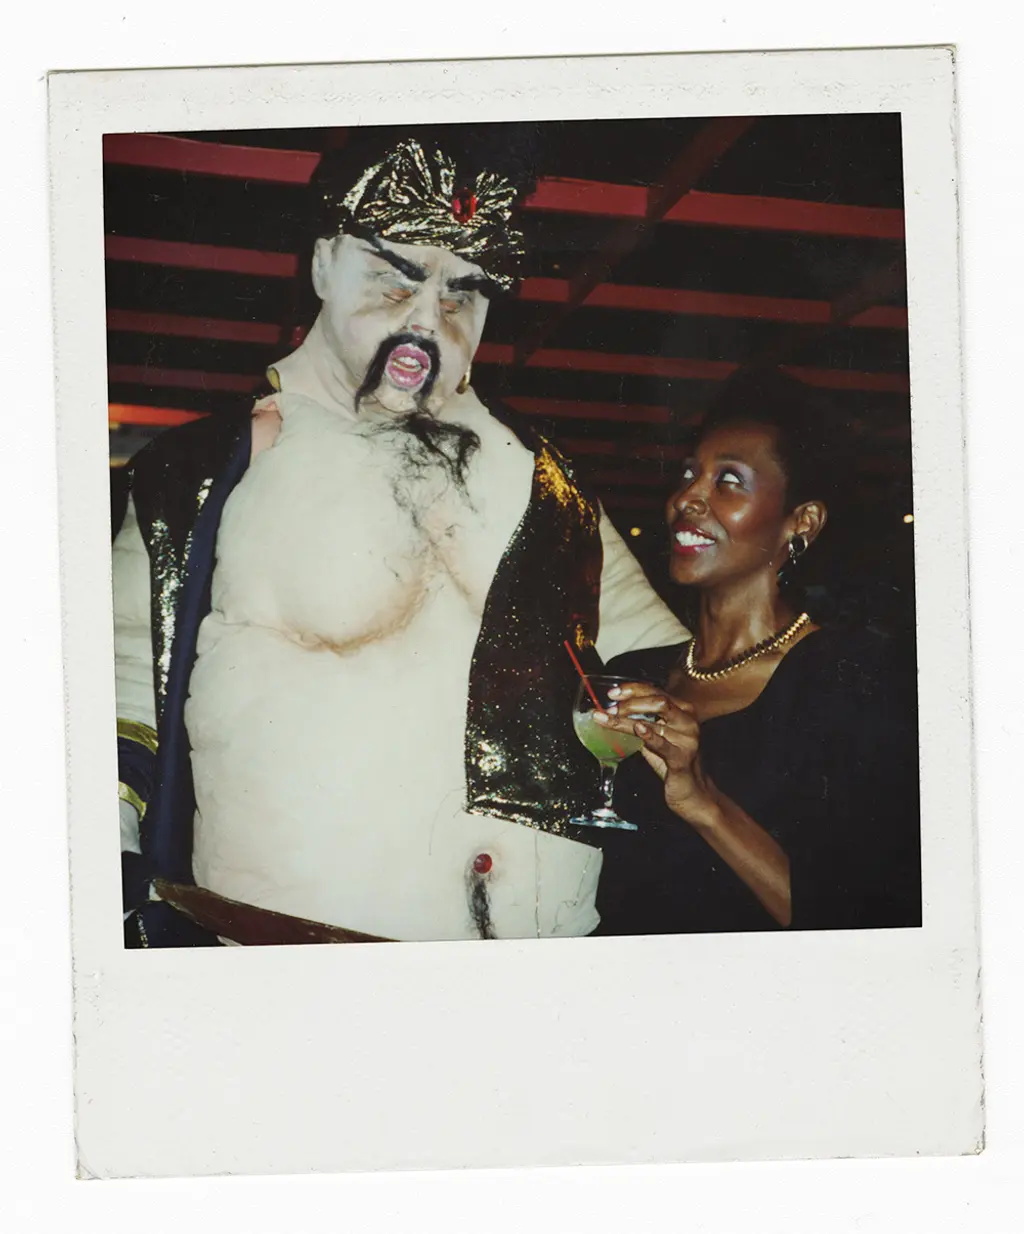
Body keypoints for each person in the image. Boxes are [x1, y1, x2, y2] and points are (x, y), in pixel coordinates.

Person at [112, 127, 688, 947]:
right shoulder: (204, 474)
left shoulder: (544, 479)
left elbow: (656, 663)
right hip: (298, 954)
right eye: (395, 278)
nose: (427, 319)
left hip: (537, 956)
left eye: (462, 296)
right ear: (324, 266)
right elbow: (119, 705)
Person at [591, 370, 921, 934]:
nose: (686, 498)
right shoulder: (633, 675)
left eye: (729, 481)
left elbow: (865, 919)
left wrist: (703, 801)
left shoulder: (856, 679)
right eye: (689, 474)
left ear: (802, 522)